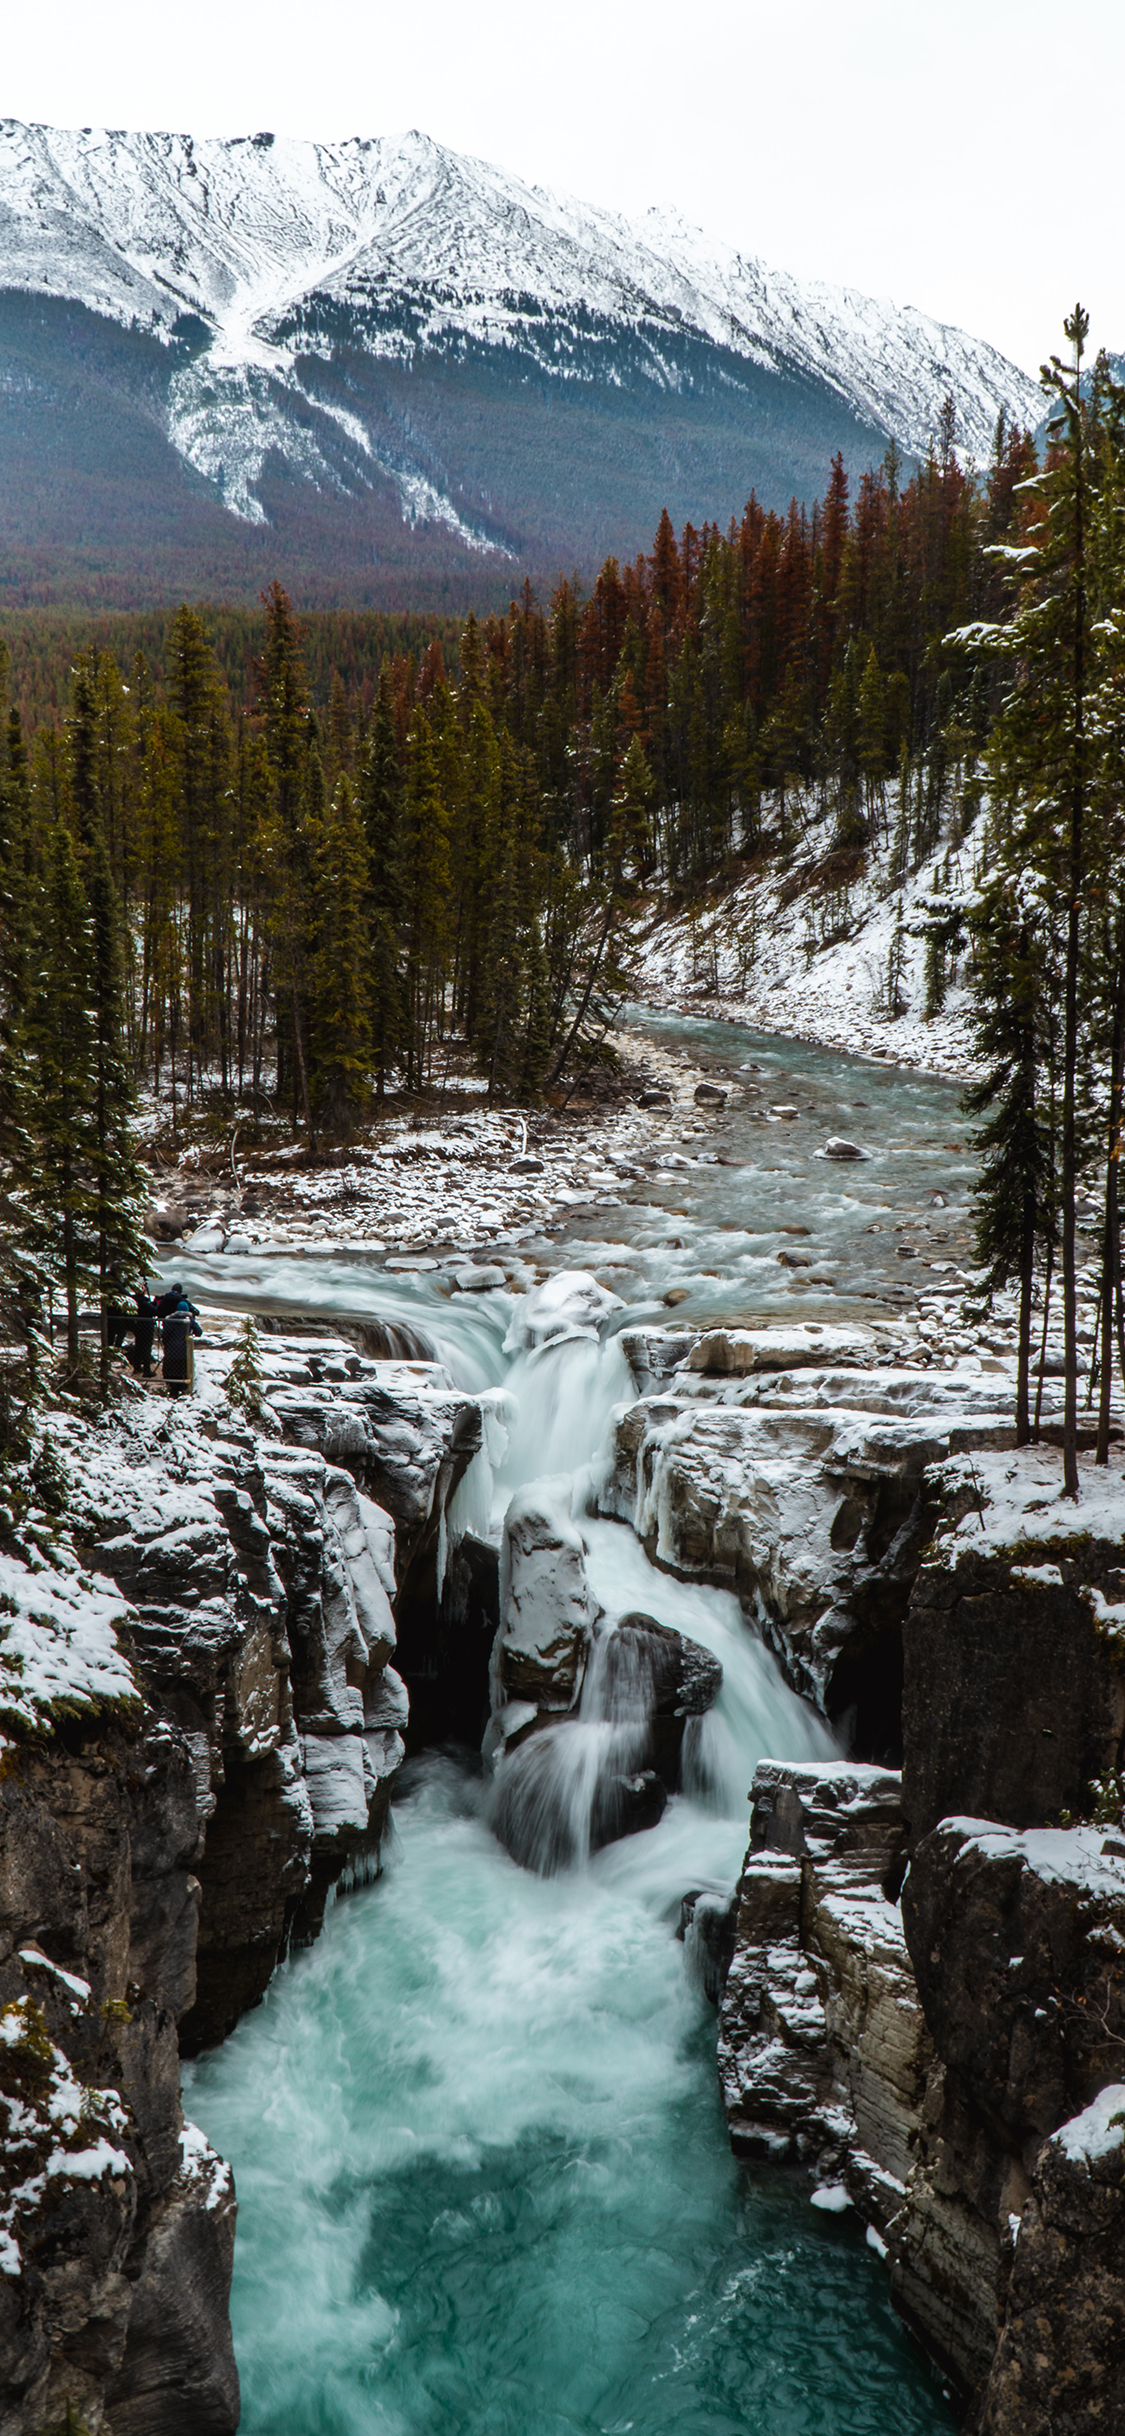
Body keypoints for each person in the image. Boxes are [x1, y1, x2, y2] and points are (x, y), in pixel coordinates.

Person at [161, 1289, 202, 1397]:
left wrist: (166, 1344)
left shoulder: (169, 1320)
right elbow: (199, 1332)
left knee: (170, 1372)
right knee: (182, 1372)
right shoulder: (189, 1320)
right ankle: (182, 1390)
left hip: (170, 1351)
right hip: (184, 1352)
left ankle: (172, 1390)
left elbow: (164, 1335)